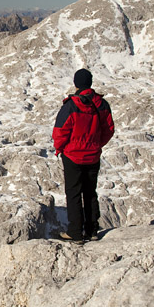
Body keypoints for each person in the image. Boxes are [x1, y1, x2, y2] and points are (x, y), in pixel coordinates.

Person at [52, 68, 115, 241]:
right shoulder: (101, 104)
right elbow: (109, 129)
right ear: (90, 82)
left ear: (76, 84)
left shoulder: (71, 105)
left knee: (73, 193)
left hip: (72, 156)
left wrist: (60, 148)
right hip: (93, 155)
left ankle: (75, 232)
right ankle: (92, 231)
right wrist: (97, 144)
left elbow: (59, 131)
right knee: (90, 192)